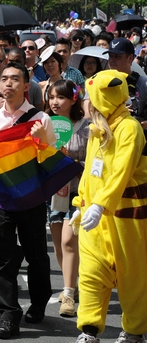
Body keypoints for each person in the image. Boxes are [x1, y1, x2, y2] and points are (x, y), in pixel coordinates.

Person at [0, 62, 55, 339]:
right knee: (1, 256)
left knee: (36, 255)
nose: (8, 83)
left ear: (26, 85)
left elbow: (51, 163)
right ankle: (9, 313)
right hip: (0, 199)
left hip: (32, 198)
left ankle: (38, 303)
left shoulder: (41, 119)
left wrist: (40, 143)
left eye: (15, 79)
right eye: (4, 79)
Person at [72, 69, 147, 343]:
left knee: (133, 276)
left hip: (128, 216)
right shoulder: (97, 129)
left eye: (89, 97)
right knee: (91, 273)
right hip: (96, 215)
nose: (85, 102)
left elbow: (122, 170)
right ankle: (89, 330)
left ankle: (135, 330)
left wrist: (101, 204)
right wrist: (81, 201)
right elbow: (90, 170)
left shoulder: (130, 128)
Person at [46, 79, 89, 318]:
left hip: (78, 194)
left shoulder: (87, 127)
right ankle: (70, 284)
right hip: (54, 193)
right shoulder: (46, 125)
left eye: (60, 97)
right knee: (59, 247)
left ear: (74, 99)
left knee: (68, 242)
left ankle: (69, 294)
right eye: (52, 97)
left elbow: (95, 164)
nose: (55, 102)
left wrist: (71, 164)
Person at [105, 38, 147, 134]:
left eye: (117, 57)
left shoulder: (143, 83)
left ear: (130, 58)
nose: (112, 60)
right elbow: (88, 114)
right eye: (110, 56)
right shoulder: (100, 82)